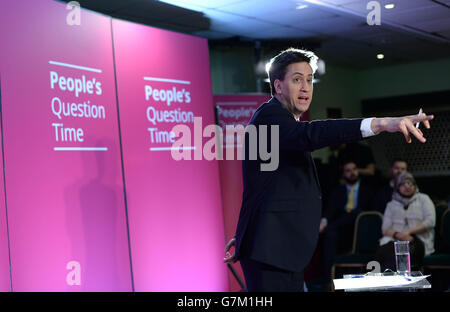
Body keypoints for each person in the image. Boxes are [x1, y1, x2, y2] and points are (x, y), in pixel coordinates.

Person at [223, 47, 434, 292]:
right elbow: (312, 134)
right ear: (278, 86)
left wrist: (249, 231)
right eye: (297, 80)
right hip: (272, 251)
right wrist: (380, 124)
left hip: (275, 246)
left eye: (310, 80)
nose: (305, 87)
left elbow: (261, 184)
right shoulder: (270, 117)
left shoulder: (281, 123)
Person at [319, 160, 374, 287]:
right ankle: (328, 281)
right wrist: (324, 221)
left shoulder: (367, 191)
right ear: (343, 174)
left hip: (359, 229)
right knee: (330, 235)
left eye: (354, 169)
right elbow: (330, 210)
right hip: (341, 229)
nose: (352, 173)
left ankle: (328, 229)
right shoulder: (337, 191)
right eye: (348, 171)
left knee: (357, 212)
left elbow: (371, 213)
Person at [374, 172, 435, 272]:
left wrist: (408, 232)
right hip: (395, 238)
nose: (407, 187)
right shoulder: (391, 204)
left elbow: (431, 221)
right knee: (383, 252)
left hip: (417, 239)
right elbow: (385, 228)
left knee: (402, 253)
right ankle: (384, 283)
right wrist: (399, 235)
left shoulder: (424, 199)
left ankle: (399, 283)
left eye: (410, 183)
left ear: (415, 186)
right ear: (398, 187)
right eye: (403, 184)